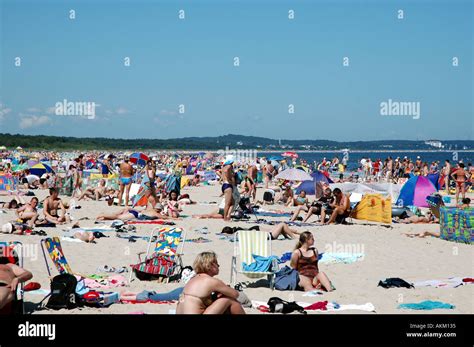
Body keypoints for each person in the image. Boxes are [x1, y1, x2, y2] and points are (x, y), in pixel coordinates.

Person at [176, 252, 246, 314]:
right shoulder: (211, 281)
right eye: (217, 264)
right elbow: (235, 294)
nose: (219, 266)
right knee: (228, 299)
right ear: (210, 266)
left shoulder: (193, 279)